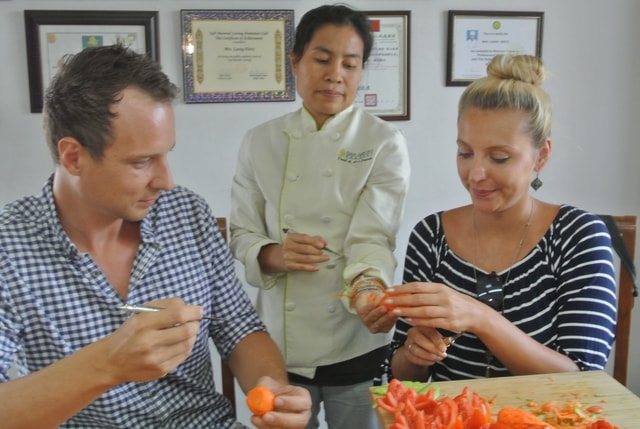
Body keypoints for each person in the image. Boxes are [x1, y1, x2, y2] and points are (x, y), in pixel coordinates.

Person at [0, 43, 311, 429]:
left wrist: (273, 390)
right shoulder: (8, 247)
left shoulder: (186, 214)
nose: (166, 181)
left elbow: (238, 328)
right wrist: (107, 363)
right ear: (73, 157)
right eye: (141, 161)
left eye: (166, 155)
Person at [377, 54, 617, 384]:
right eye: (465, 153)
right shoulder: (430, 235)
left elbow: (584, 379)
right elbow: (399, 374)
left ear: (541, 156)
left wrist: (480, 317)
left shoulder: (578, 236)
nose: (475, 174)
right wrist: (414, 355)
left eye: (499, 157)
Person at [229, 4, 410, 429]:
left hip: (355, 337)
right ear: (295, 61)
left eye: (350, 63)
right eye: (322, 59)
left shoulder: (383, 142)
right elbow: (241, 232)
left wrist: (369, 289)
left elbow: (374, 236)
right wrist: (274, 255)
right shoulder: (260, 142)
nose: (336, 75)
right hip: (279, 344)